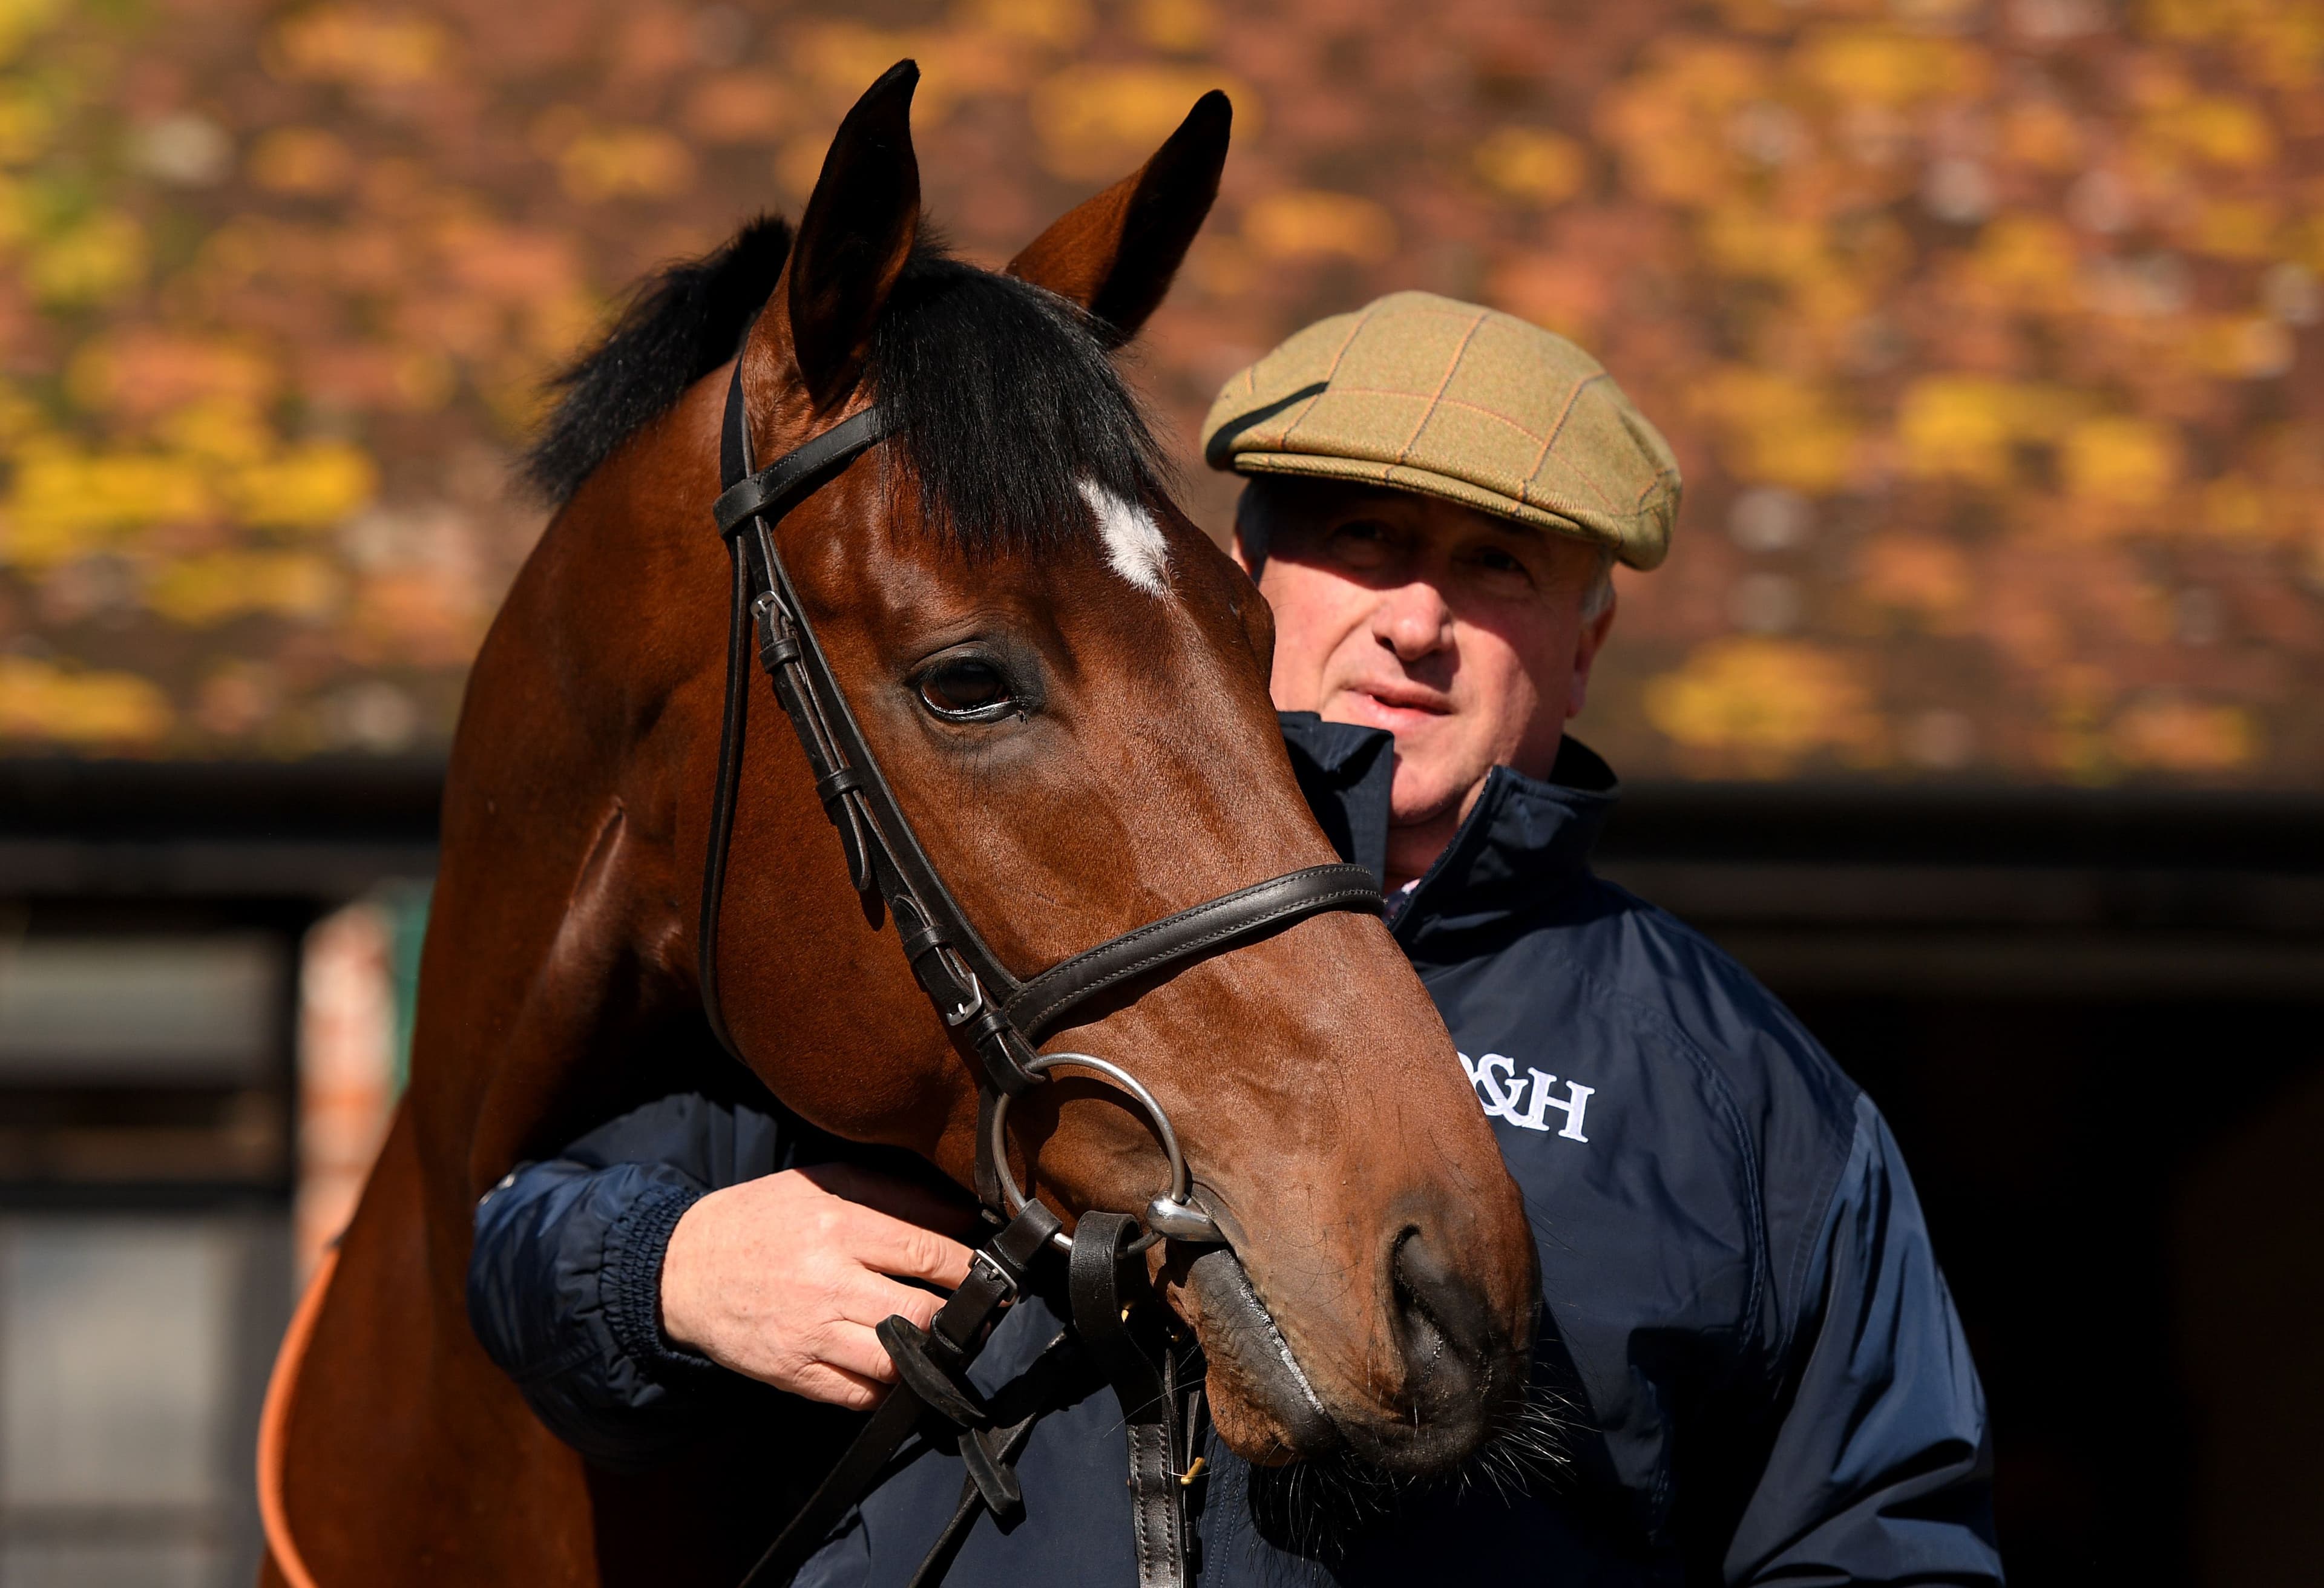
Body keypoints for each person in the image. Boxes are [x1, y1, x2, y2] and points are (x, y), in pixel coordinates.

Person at [467, 292, 2003, 1585]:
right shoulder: (999, 876)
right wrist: (661, 1266)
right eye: (1370, 537)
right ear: (1240, 577)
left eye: (1499, 566)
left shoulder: (1748, 1101)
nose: (1419, 618)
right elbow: (517, 1237)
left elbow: (1876, 1532)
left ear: (1585, 647)